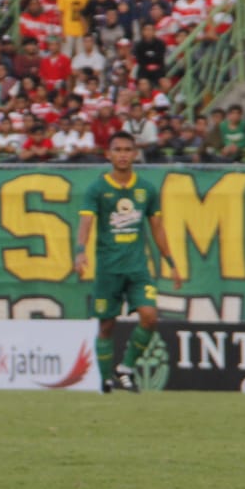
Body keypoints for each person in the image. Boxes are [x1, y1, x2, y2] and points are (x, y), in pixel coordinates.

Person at [75, 131, 183, 394]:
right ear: (108, 154)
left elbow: (157, 227)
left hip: (137, 269)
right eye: (118, 149)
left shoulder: (146, 189)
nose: (123, 154)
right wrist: (80, 251)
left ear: (135, 154)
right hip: (109, 269)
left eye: (127, 150)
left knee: (149, 316)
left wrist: (171, 261)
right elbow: (86, 222)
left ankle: (125, 368)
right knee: (107, 325)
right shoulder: (97, 189)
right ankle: (105, 381)